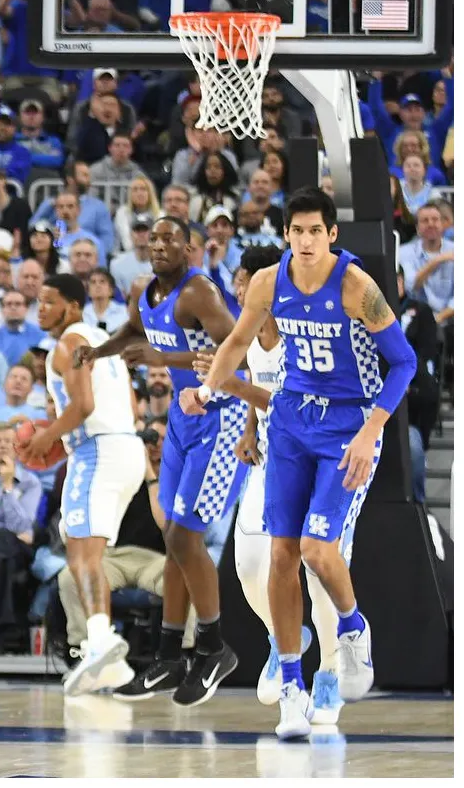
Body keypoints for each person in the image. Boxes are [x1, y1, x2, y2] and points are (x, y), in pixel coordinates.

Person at [200, 187, 417, 740]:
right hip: (293, 422)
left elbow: (404, 361)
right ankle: (291, 690)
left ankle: (352, 626)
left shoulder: (356, 287)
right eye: (296, 231)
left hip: (347, 427)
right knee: (280, 557)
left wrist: (372, 431)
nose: (305, 240)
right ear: (286, 235)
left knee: (320, 551)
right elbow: (237, 342)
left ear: (331, 234)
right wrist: (207, 388)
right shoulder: (270, 282)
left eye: (315, 231)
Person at [74, 215, 245, 707]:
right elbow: (136, 328)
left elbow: (234, 352)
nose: (161, 245)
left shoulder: (200, 293)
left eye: (172, 238)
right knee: (174, 538)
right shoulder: (149, 291)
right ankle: (171, 654)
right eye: (154, 239)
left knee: (184, 537)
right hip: (184, 418)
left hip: (223, 417)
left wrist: (161, 359)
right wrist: (101, 351)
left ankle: (213, 647)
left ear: (191, 248)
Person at [177, 242, 342, 724]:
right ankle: (283, 635)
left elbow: (294, 402)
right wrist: (249, 427)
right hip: (270, 459)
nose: (239, 289)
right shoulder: (247, 334)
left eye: (245, 280)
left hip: (317, 459)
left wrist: (228, 387)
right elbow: (254, 385)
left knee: (316, 573)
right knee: (249, 567)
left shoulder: (300, 331)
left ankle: (329, 671)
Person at [21, 273, 145, 697]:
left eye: (47, 301)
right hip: (127, 447)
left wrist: (47, 436)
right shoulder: (103, 341)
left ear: (72, 307)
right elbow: (131, 405)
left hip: (97, 451)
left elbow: (84, 405)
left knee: (81, 554)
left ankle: (99, 641)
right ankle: (108, 661)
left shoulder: (69, 343)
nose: (40, 308)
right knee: (87, 549)